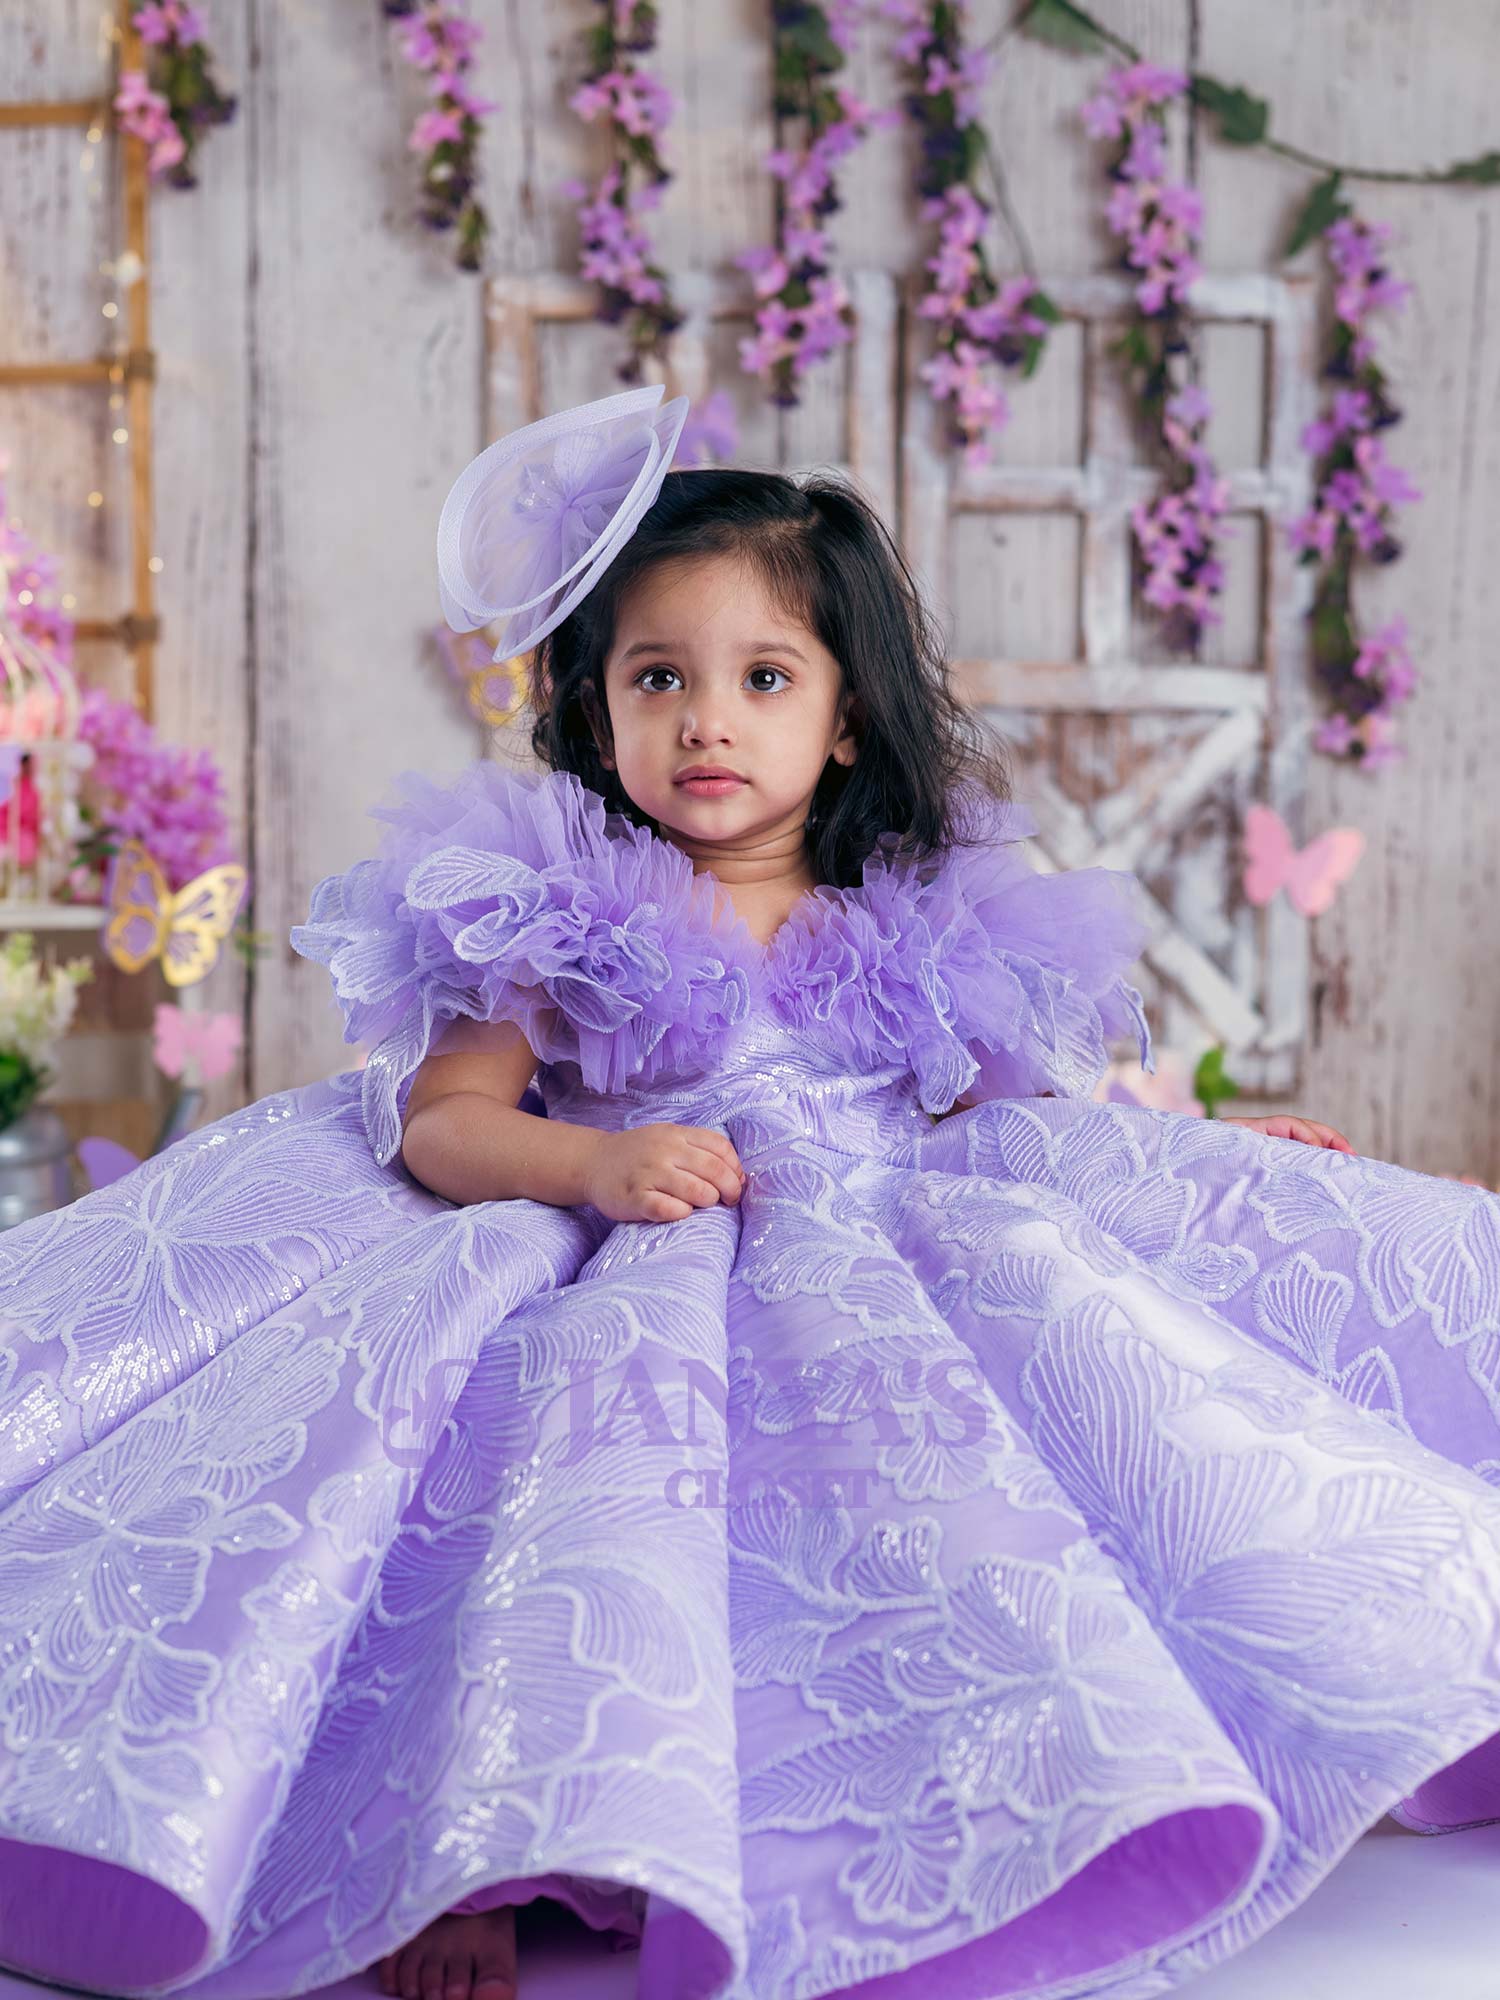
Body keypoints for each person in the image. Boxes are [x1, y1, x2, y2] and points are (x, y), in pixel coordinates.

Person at [0, 384, 1497, 2000]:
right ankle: (446, 1846)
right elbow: (442, 1126)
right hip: (619, 1259)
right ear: (597, 708)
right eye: (660, 679)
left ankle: (935, 1794)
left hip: (861, 1271)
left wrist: (1220, 1148)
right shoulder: (552, 907)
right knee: (532, 1512)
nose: (708, 721)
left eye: (762, 678)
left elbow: (1041, 1121)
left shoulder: (916, 919)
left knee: (988, 1435)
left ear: (842, 718)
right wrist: (592, 1160)